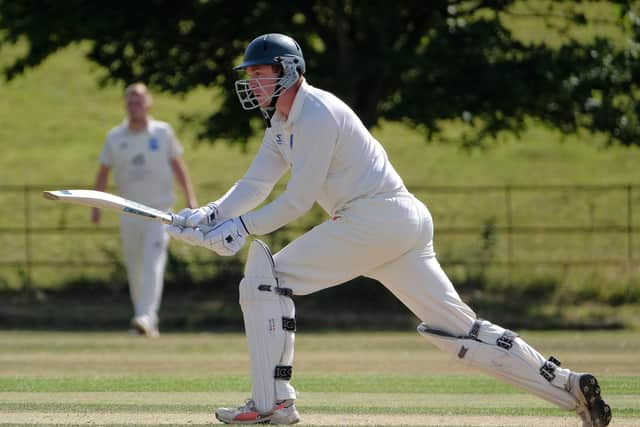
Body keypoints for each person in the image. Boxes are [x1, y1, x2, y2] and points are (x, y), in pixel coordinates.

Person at [167, 34, 612, 426]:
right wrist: (210, 214)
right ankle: (570, 388)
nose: (253, 83)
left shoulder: (317, 112)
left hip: (373, 218)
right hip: (398, 222)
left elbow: (298, 201)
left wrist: (239, 228)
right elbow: (256, 183)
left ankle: (272, 404)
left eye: (260, 73)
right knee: (458, 330)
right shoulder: (281, 125)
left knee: (266, 281)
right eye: (250, 75)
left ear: (288, 72)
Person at [92, 83, 198, 338]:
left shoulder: (162, 133)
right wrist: (96, 207)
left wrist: (191, 198)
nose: (134, 106)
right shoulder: (115, 137)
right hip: (128, 212)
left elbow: (178, 165)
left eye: (139, 101)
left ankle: (145, 317)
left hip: (159, 212)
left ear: (148, 104)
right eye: (130, 101)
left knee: (153, 265)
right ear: (125, 106)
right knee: (135, 267)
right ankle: (145, 320)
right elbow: (103, 172)